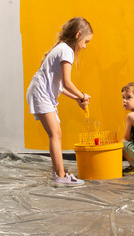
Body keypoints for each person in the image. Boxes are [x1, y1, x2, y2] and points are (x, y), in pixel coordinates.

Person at [26, 17, 93, 186]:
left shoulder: (61, 48)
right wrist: (83, 95)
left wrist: (78, 98)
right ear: (78, 35)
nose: (85, 46)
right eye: (86, 41)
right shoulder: (67, 51)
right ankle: (61, 176)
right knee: (55, 134)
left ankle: (59, 172)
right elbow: (67, 82)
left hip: (41, 92)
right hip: (41, 93)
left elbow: (61, 87)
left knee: (56, 133)